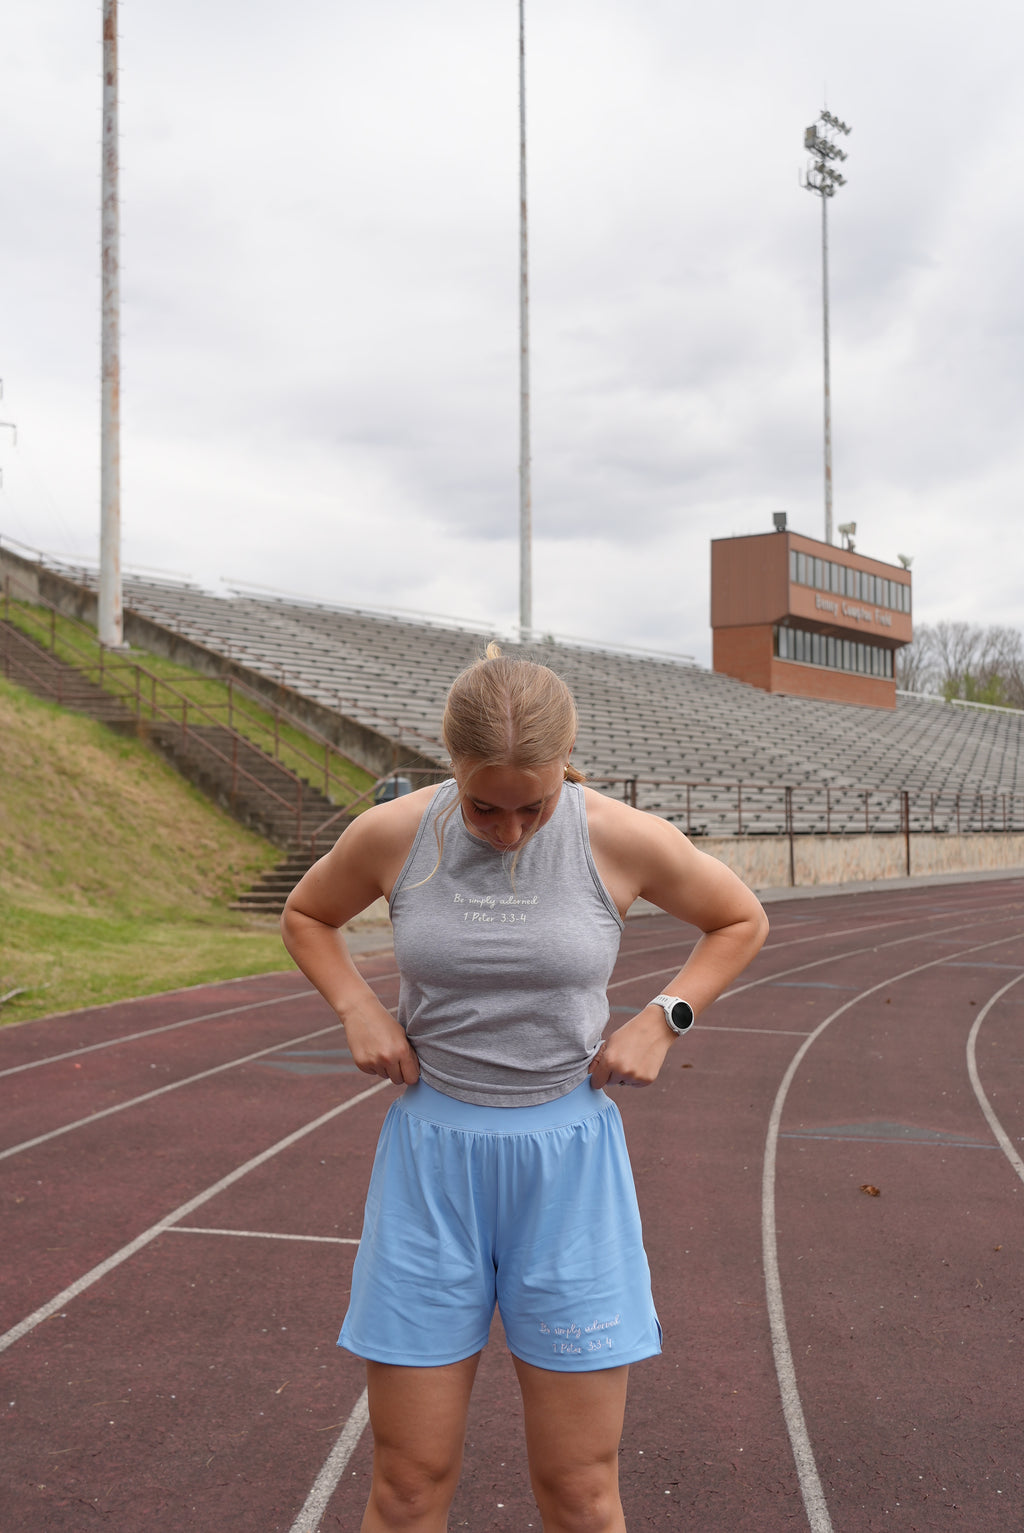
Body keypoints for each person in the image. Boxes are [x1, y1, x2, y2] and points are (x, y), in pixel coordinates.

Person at [281, 644, 768, 1533]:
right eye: (484, 807)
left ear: (564, 768)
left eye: (531, 807)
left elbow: (740, 918)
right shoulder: (397, 832)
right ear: (451, 768)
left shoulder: (618, 836)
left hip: (569, 1168)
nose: (507, 831)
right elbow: (308, 913)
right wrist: (356, 1005)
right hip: (432, 1166)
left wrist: (665, 1017)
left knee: (581, 1492)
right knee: (408, 1483)